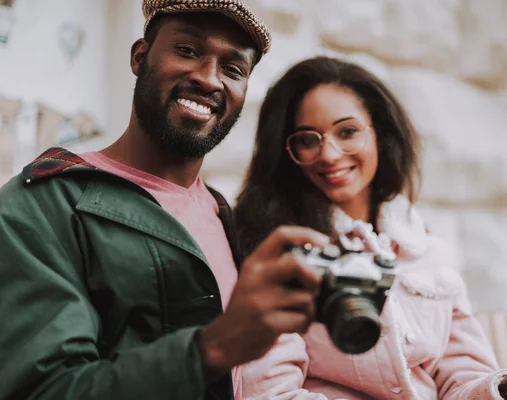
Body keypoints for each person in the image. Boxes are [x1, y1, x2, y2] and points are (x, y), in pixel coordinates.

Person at [0, 2, 330, 399]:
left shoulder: (221, 211)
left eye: (233, 69)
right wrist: (213, 347)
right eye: (187, 51)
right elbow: (45, 390)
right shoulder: (43, 204)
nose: (210, 79)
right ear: (140, 57)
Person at [234, 57, 507, 400]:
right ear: (288, 153)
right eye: (308, 139)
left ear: (381, 134)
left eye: (347, 132)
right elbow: (269, 393)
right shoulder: (280, 256)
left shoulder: (428, 251)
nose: (329, 154)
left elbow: (460, 375)